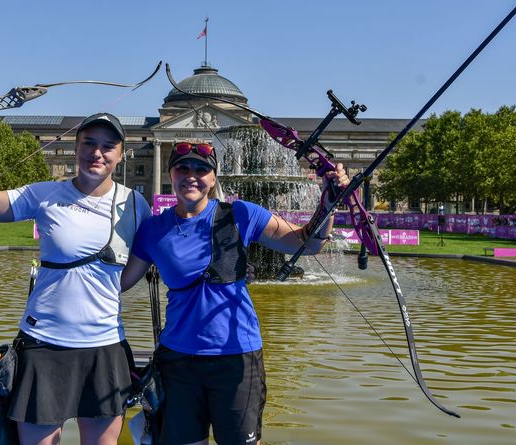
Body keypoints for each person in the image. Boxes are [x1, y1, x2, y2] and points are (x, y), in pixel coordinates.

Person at [0, 106, 151, 445]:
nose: (96, 153)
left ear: (121, 155)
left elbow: (141, 264)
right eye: (88, 143)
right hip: (45, 346)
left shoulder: (134, 204)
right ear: (75, 148)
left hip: (104, 346)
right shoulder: (44, 195)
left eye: (107, 146)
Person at [120, 141, 349, 445]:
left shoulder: (241, 214)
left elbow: (306, 243)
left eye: (202, 169)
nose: (192, 175)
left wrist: (328, 202)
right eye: (183, 168)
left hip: (236, 357)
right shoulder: (152, 229)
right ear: (171, 173)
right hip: (178, 360)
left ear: (213, 178)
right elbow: (119, 284)